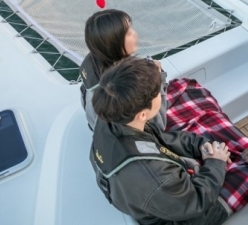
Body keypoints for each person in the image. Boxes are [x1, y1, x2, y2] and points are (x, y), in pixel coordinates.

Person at [90, 57, 236, 225]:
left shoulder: (110, 117)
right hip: (172, 214)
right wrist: (216, 164)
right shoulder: (155, 174)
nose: (162, 93)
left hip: (142, 196)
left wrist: (198, 144)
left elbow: (156, 141)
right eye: (158, 93)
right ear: (143, 114)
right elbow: (196, 201)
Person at [79, 9, 167, 131]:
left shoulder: (94, 64)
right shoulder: (127, 84)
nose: (135, 34)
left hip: (100, 132)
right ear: (114, 44)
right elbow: (158, 126)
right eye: (128, 33)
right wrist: (158, 79)